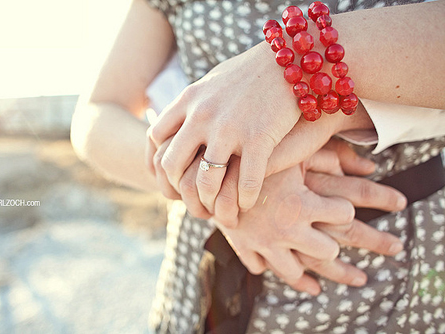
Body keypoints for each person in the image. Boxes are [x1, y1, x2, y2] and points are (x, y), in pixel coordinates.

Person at [70, 0, 445, 332]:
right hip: (208, 269)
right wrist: (231, 191)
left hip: (396, 284)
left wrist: (285, 64)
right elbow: (97, 115)